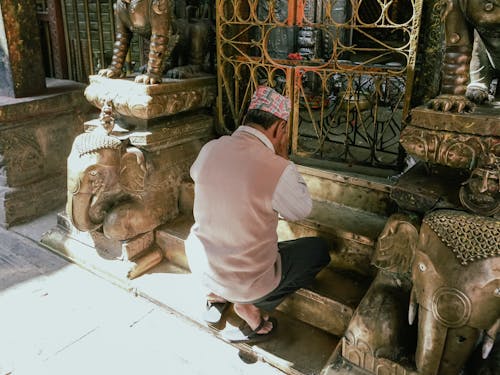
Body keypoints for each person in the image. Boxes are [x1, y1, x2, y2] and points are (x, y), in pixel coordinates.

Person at [185, 85, 330, 343]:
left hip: (203, 265)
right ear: (278, 129)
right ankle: (248, 307)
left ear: (247, 120)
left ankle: (215, 294)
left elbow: (199, 177)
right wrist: (284, 157)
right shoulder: (275, 166)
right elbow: (301, 210)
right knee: (318, 250)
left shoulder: (211, 148)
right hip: (247, 282)